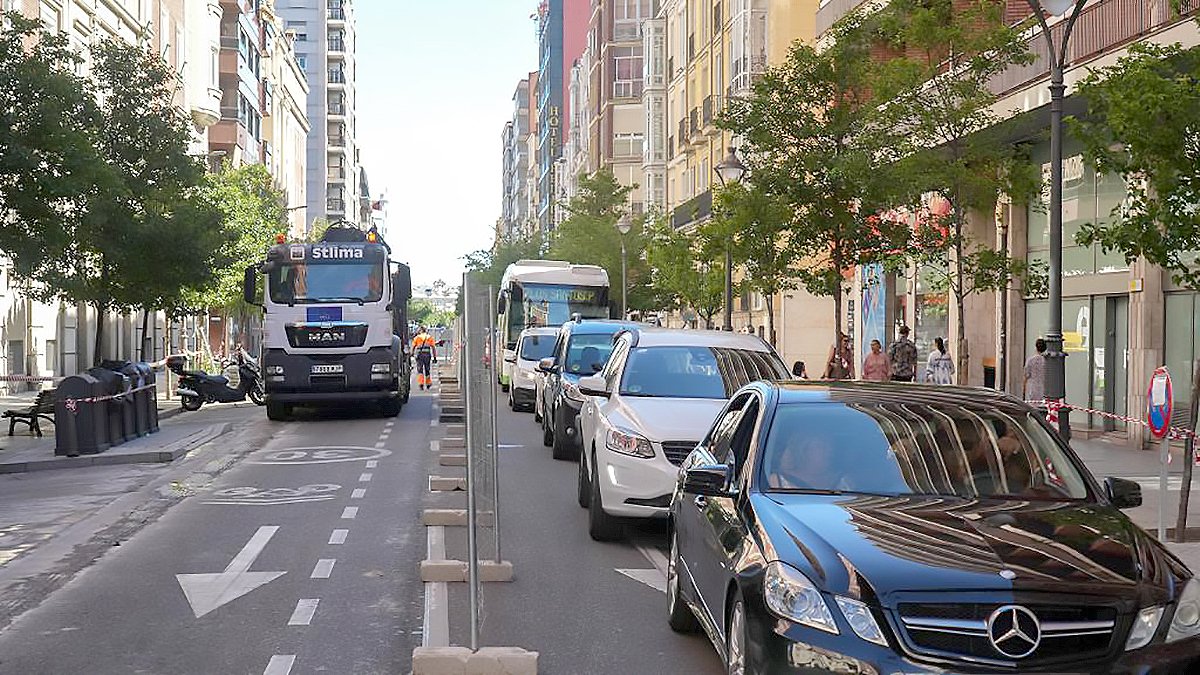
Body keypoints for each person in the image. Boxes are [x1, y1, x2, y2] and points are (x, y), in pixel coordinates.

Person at [412, 326, 437, 390]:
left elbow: (413, 347)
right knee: (427, 369)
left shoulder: (417, 338)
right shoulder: (429, 337)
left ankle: (421, 383)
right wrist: (434, 357)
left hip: (419, 356)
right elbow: (433, 348)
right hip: (427, 355)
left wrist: (411, 354)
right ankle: (428, 383)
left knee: (420, 370)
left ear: (420, 331)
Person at [1024, 338, 1048, 403]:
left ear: (1036, 347)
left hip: (1033, 389)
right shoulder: (1048, 361)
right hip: (1045, 390)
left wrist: (1024, 389)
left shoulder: (1030, 360)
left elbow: (1026, 375)